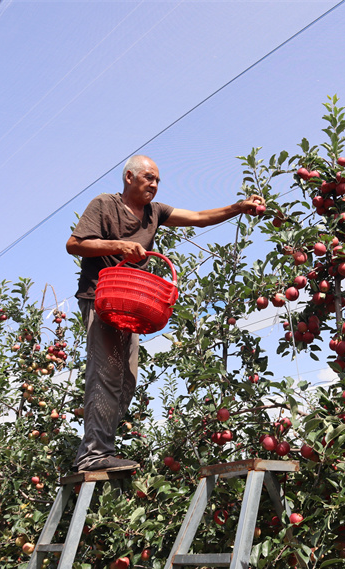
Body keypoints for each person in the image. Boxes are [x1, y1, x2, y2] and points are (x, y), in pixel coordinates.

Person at [66, 155, 265, 472]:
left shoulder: (154, 213)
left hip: (129, 303)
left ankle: (98, 447)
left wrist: (238, 207)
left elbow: (199, 216)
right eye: (149, 178)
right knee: (105, 374)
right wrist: (117, 246)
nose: (155, 185)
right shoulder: (104, 204)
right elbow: (75, 244)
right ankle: (93, 454)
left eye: (158, 180)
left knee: (126, 379)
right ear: (129, 177)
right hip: (102, 297)